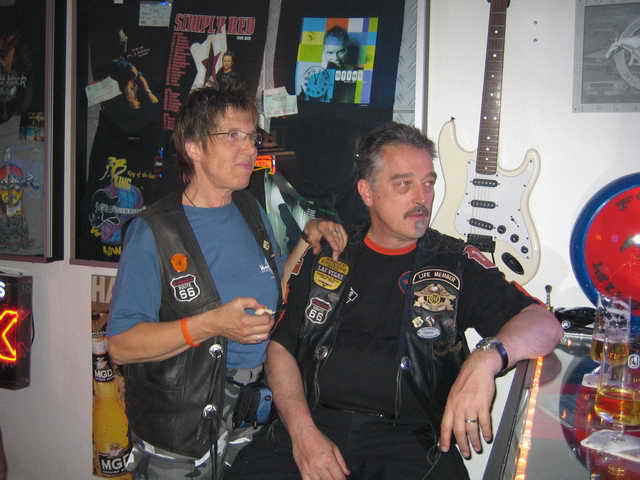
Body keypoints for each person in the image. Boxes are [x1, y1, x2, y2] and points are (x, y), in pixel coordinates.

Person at [228, 122, 563, 479]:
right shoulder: (329, 254)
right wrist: (302, 435)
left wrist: (487, 357)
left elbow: (544, 324)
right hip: (312, 425)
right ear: (367, 192)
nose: (422, 198)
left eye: (428, 183)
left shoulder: (454, 262)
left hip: (410, 444)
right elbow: (281, 348)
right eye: (404, 184)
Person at [106, 86, 346, 480]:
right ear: (194, 147)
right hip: (183, 429)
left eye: (252, 136)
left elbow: (273, 294)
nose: (249, 148)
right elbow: (121, 345)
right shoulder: (155, 231)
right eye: (232, 135)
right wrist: (212, 324)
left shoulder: (249, 209)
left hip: (249, 418)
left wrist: (307, 238)